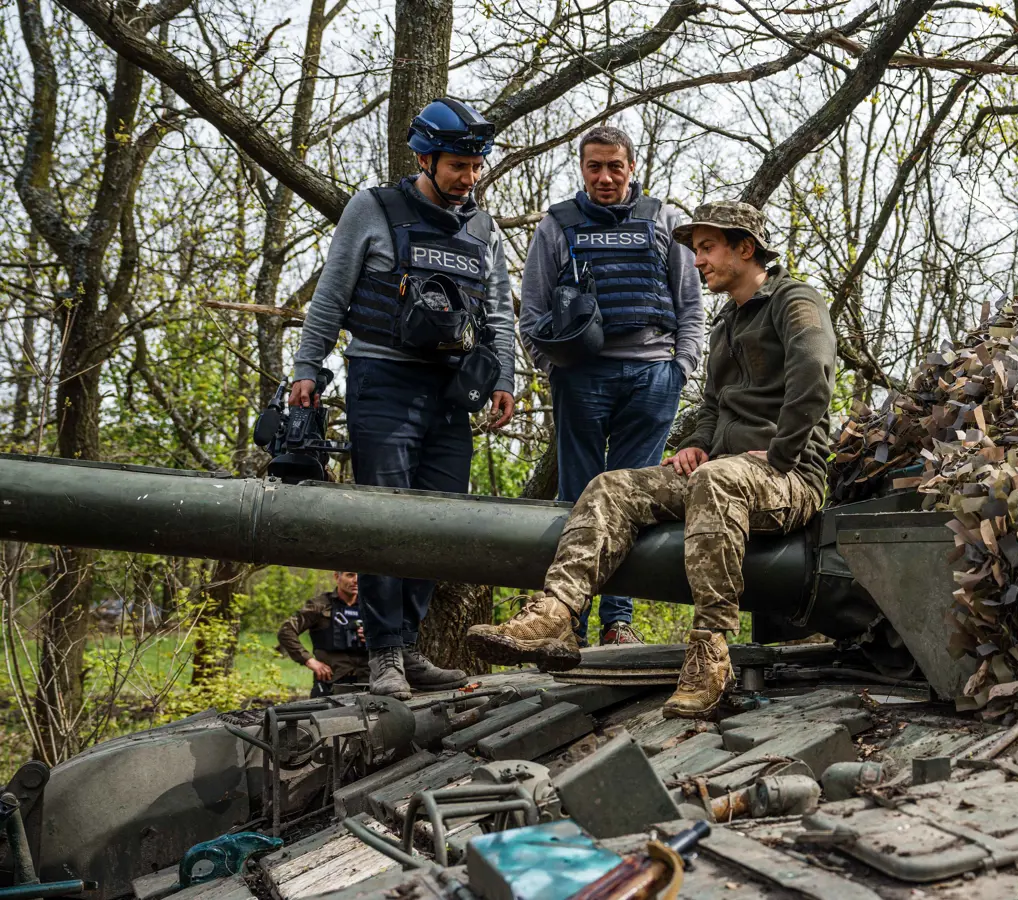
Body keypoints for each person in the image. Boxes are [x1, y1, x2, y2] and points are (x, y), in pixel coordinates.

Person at [471, 201, 833, 718]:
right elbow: (712, 404)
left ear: (745, 248)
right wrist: (698, 443)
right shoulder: (726, 321)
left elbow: (815, 371)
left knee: (717, 481)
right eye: (696, 250)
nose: (698, 260)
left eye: (707, 248)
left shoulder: (793, 300)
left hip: (790, 476)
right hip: (725, 471)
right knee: (611, 486)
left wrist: (779, 454)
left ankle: (710, 653)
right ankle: (555, 612)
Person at [289, 98, 518, 699]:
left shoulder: (483, 228)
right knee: (384, 518)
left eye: (477, 167)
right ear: (425, 157)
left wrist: (504, 379)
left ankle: (407, 647)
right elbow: (331, 295)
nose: (470, 178)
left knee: (441, 520)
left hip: (450, 388)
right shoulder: (373, 208)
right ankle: (385, 651)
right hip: (382, 379)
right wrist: (306, 367)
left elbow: (496, 311)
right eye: (458, 166)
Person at [519, 126, 704, 648]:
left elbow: (691, 305)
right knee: (575, 499)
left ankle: (616, 621)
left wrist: (680, 368)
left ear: (631, 166)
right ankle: (567, 622)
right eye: (594, 167)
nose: (604, 177)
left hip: (652, 378)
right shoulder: (558, 225)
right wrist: (553, 370)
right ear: (581, 168)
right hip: (582, 378)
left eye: (614, 167)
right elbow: (531, 312)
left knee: (631, 500)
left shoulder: (665, 220)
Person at [277, 572, 366, 697]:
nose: (356, 580)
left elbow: (396, 635)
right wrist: (309, 660)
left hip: (369, 681)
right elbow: (286, 631)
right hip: (331, 683)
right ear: (337, 577)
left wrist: (374, 637)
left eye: (359, 576)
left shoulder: (372, 606)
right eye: (350, 575)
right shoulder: (320, 605)